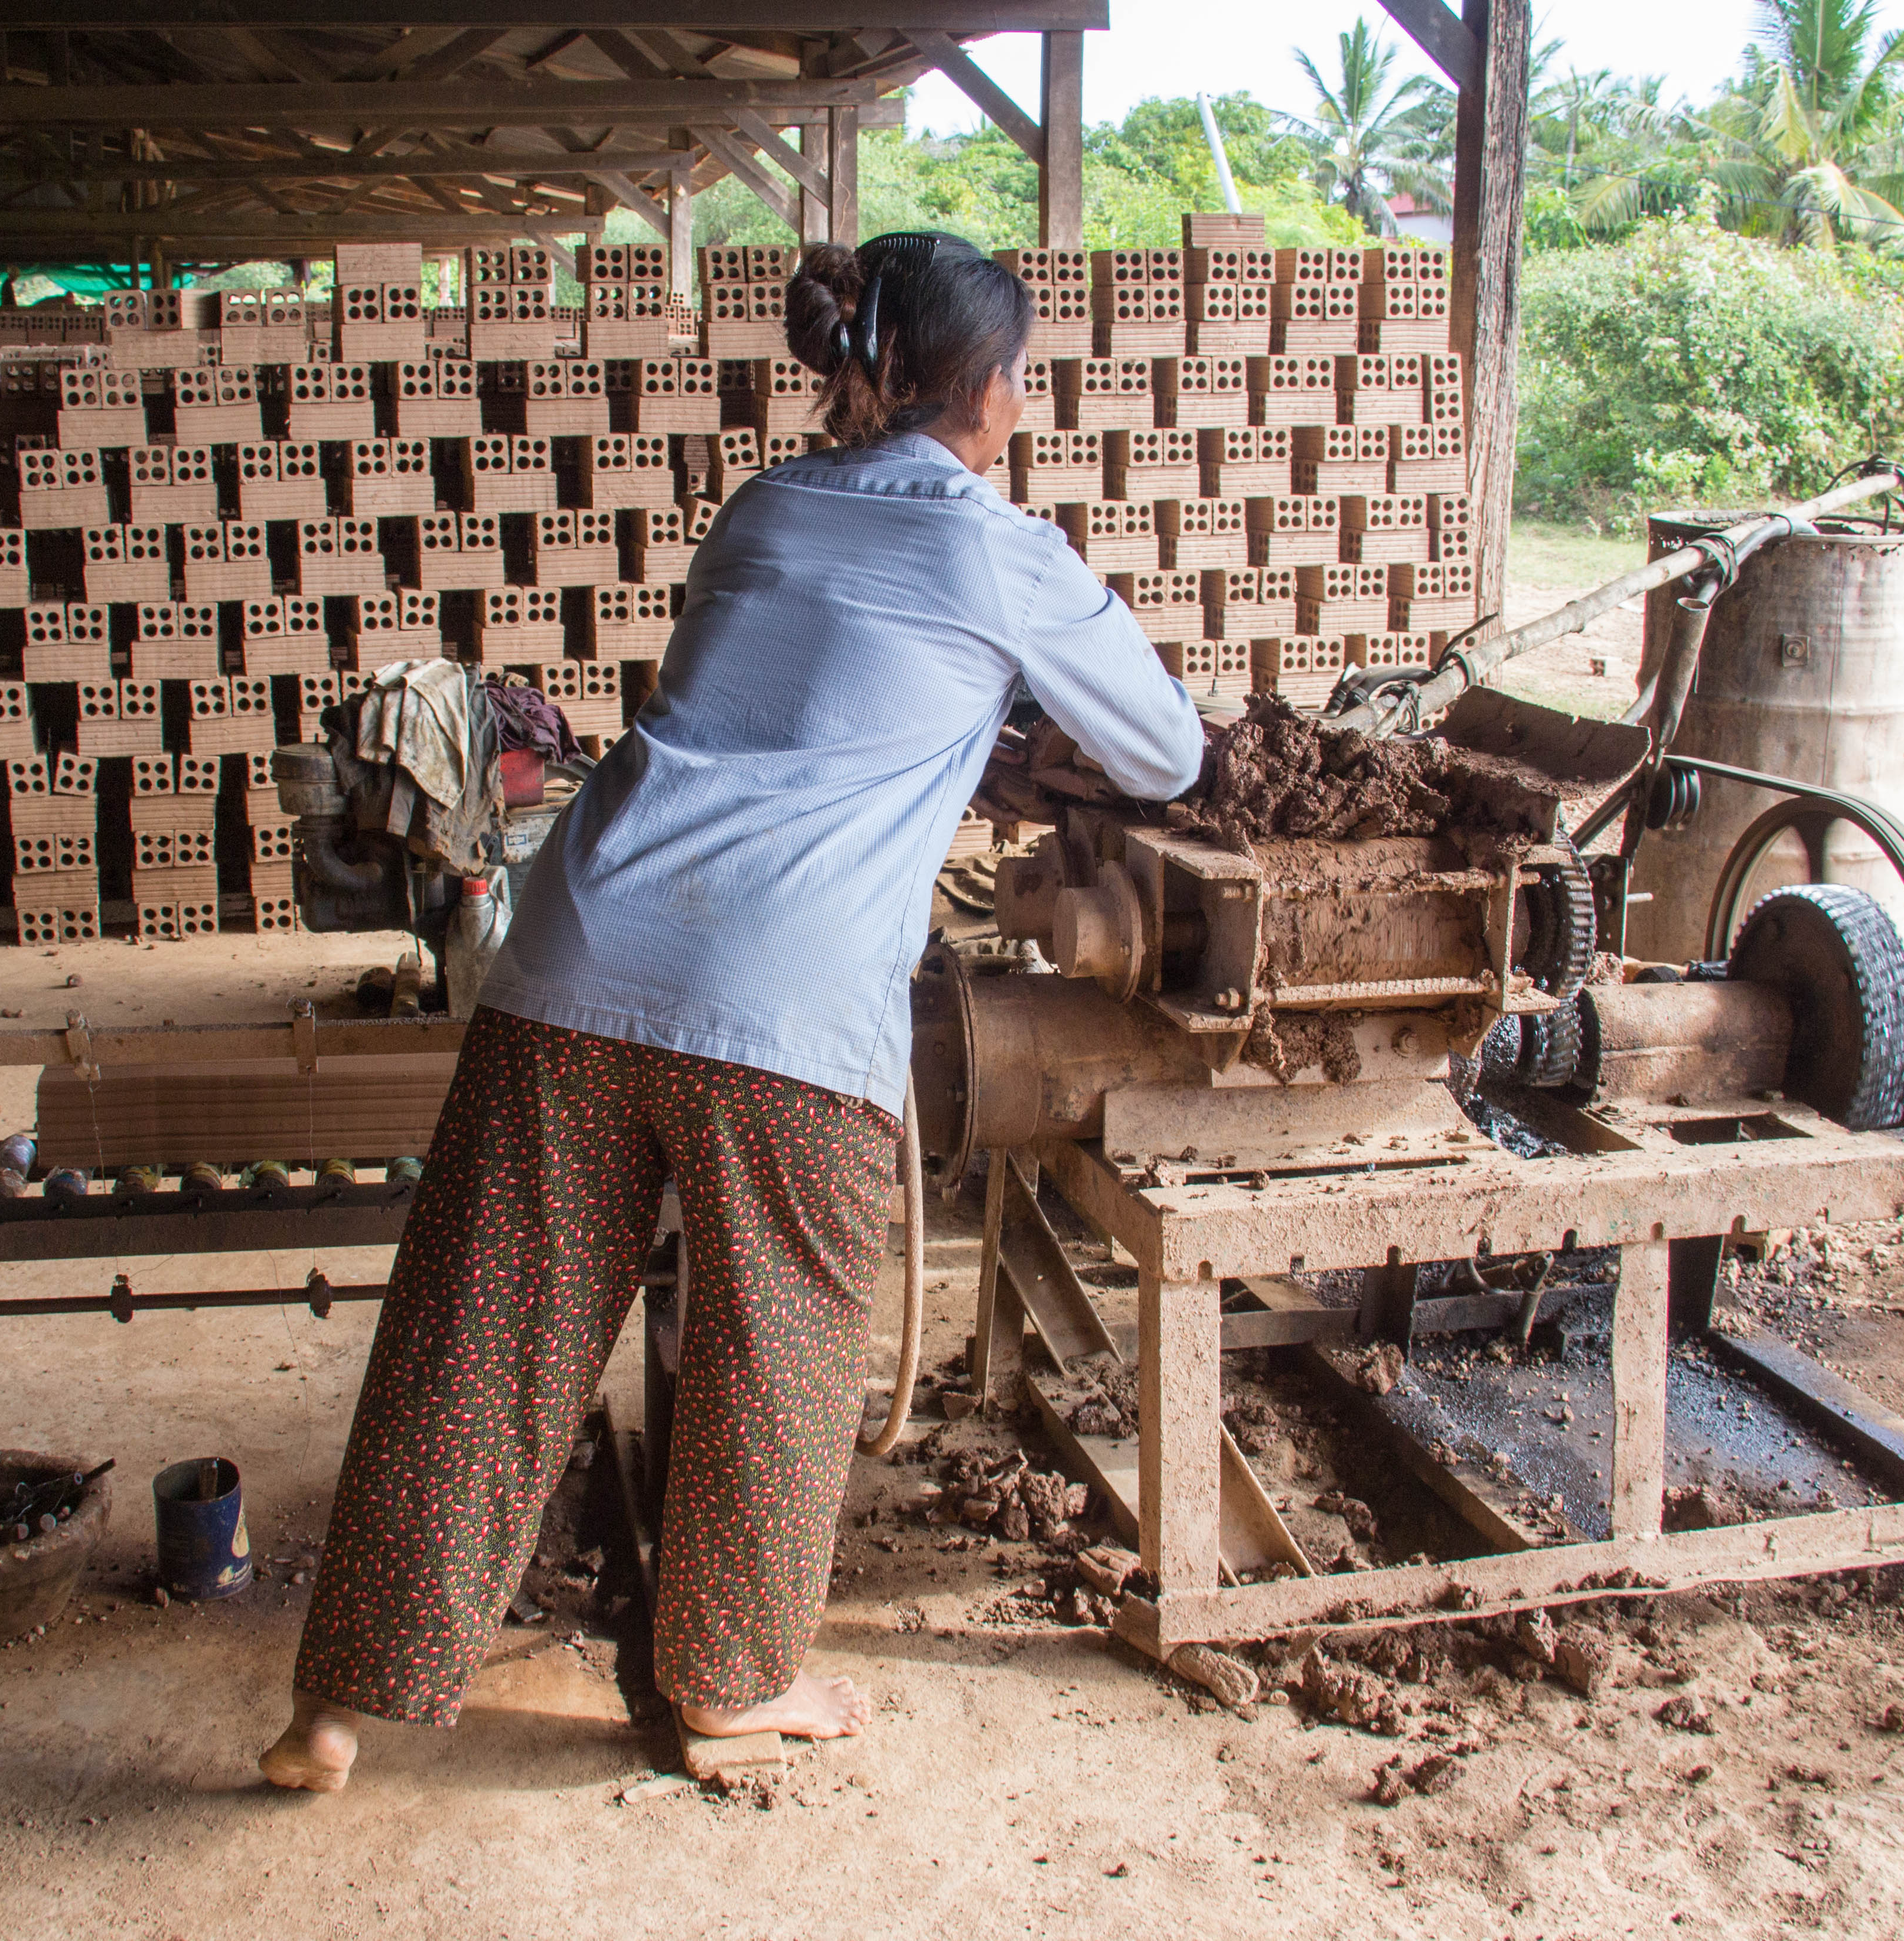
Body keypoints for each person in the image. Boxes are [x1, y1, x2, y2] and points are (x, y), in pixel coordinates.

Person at [260, 230, 1203, 1791]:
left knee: (475, 1344)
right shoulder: (995, 547)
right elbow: (1166, 753)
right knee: (778, 1352)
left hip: (575, 952)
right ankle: (726, 1686)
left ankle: (335, 1708)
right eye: (1019, 378)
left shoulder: (762, 505)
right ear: (975, 391)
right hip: (784, 1000)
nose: (1023, 406)